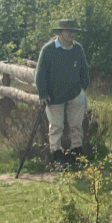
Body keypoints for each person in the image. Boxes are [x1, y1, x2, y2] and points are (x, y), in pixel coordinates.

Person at [34, 19, 90, 167]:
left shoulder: (78, 49)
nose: (72, 34)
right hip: (54, 95)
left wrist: (83, 88)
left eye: (74, 31)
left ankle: (76, 152)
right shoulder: (48, 50)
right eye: (68, 31)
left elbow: (84, 70)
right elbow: (40, 75)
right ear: (60, 32)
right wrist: (43, 93)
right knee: (56, 126)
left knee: (76, 124)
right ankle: (56, 154)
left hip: (75, 93)